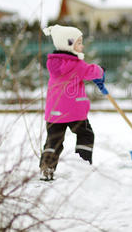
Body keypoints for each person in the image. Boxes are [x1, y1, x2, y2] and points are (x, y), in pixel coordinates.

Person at [39, 24, 105, 181]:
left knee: (53, 140)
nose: (82, 46)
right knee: (86, 134)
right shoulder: (76, 64)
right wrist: (101, 70)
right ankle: (82, 164)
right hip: (75, 113)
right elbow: (92, 71)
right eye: (79, 42)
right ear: (69, 44)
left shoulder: (54, 64)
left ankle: (47, 166)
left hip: (54, 113)